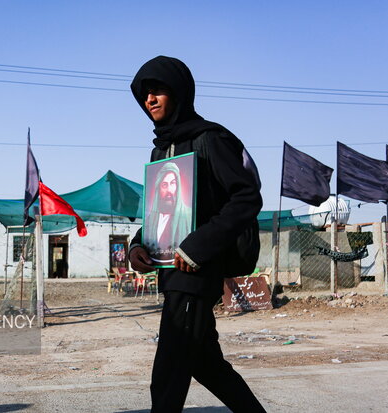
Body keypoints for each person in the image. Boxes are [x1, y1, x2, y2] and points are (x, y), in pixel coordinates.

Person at [129, 56, 266, 412]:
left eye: (158, 91)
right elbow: (165, 213)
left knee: (168, 373)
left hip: (195, 272)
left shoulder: (210, 139)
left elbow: (247, 197)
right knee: (206, 363)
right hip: (172, 271)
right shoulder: (161, 149)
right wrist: (137, 246)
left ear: (179, 92)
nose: (150, 100)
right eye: (145, 94)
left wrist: (198, 246)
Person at [144, 161, 192, 264]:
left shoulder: (189, 216)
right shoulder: (151, 220)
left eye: (173, 183)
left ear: (178, 186)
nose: (169, 190)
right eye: (164, 185)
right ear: (159, 188)